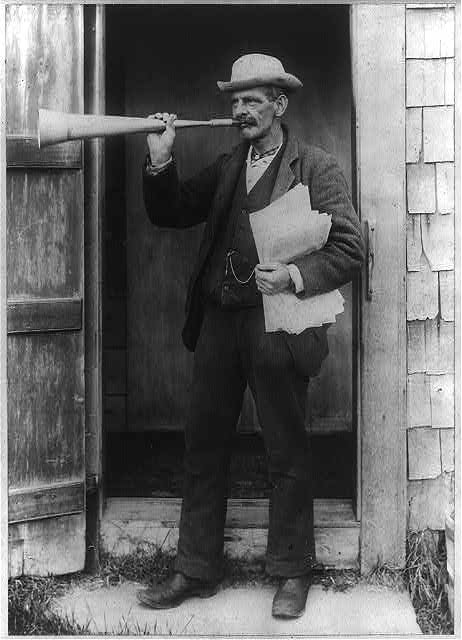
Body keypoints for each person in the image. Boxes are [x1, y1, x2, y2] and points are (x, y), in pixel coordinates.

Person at [137, 53, 364, 619]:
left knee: (285, 447)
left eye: (252, 100)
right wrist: (160, 162)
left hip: (278, 325)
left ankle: (291, 572)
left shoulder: (317, 167)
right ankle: (196, 568)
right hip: (220, 323)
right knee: (202, 446)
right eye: (234, 101)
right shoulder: (226, 166)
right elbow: (172, 212)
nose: (240, 111)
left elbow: (350, 250)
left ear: (279, 105)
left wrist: (293, 274)